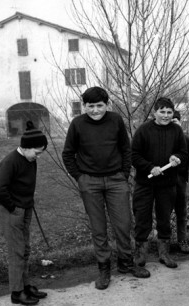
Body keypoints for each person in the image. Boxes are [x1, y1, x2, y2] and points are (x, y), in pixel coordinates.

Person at [62, 86, 150, 290]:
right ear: (84, 106)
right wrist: (80, 178)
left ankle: (126, 264)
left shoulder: (115, 120)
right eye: (90, 106)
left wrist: (124, 173)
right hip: (89, 182)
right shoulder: (77, 124)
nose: (94, 110)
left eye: (99, 106)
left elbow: (125, 149)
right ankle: (104, 269)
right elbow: (68, 154)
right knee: (98, 228)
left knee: (123, 224)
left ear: (107, 104)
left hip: (116, 181)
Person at [0, 121, 49, 306]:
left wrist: (26, 203)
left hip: (25, 209)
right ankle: (16, 293)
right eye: (37, 152)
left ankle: (25, 286)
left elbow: (25, 184)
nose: (38, 156)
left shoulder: (29, 159)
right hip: (12, 211)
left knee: (25, 249)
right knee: (16, 251)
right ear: (25, 148)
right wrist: (14, 207)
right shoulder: (10, 162)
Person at [132, 97, 188, 268]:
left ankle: (164, 254)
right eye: (162, 112)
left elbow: (183, 153)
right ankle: (140, 255)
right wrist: (150, 168)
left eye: (169, 112)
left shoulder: (176, 131)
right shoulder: (143, 130)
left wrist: (176, 158)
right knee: (142, 218)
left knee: (164, 219)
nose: (165, 115)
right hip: (145, 183)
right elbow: (134, 155)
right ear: (154, 112)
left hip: (168, 184)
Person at [172, 110, 189, 254]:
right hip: (164, 181)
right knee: (163, 213)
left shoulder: (186, 139)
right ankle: (164, 242)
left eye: (175, 121)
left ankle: (182, 240)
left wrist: (187, 179)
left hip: (180, 180)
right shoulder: (162, 138)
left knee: (182, 212)